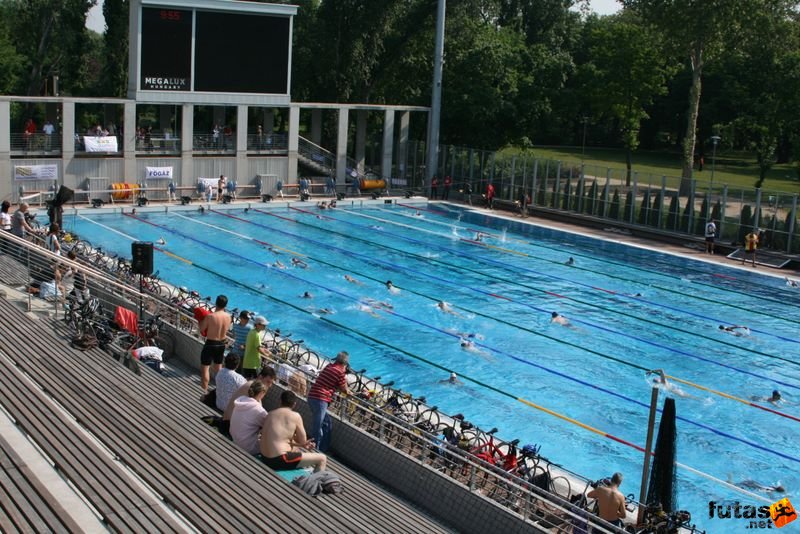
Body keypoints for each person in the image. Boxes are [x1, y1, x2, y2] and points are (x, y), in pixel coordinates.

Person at [260, 390, 327, 472]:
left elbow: (281, 438)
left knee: (295, 448)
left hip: (264, 457)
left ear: (280, 401)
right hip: (279, 459)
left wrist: (297, 443)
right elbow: (303, 441)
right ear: (294, 404)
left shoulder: (270, 414)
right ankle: (314, 483)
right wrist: (303, 443)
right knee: (322, 458)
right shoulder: (296, 416)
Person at [307, 351, 350, 453]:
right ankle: (315, 449)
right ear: (345, 363)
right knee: (318, 426)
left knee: (327, 423)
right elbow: (344, 388)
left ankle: (322, 448)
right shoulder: (340, 372)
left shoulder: (329, 366)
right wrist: (349, 392)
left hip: (312, 396)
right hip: (321, 399)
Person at [222, 366, 276, 435]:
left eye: (271, 383)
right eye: (268, 382)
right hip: (229, 425)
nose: (270, 385)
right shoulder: (252, 387)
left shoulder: (252, 385)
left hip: (230, 422)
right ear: (260, 377)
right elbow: (259, 410)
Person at [198, 295, 233, 394]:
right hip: (221, 344)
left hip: (210, 343)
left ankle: (204, 392)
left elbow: (202, 329)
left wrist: (200, 320)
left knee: (205, 369)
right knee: (219, 371)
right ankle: (220, 392)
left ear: (216, 303)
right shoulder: (228, 317)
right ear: (225, 305)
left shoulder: (211, 316)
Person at [230, 380, 269, 455]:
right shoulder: (258, 410)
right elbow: (268, 425)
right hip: (248, 447)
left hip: (235, 439)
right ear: (261, 393)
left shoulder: (241, 400)